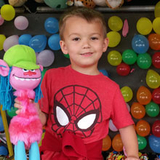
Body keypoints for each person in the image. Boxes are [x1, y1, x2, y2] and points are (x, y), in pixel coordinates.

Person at [15, 7, 139, 160]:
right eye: (76, 39)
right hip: (53, 155)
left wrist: (133, 155)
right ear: (64, 46)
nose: (86, 44)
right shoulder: (51, 77)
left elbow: (125, 125)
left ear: (104, 44)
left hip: (88, 157)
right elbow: (43, 121)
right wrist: (35, 112)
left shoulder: (111, 89)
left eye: (93, 38)